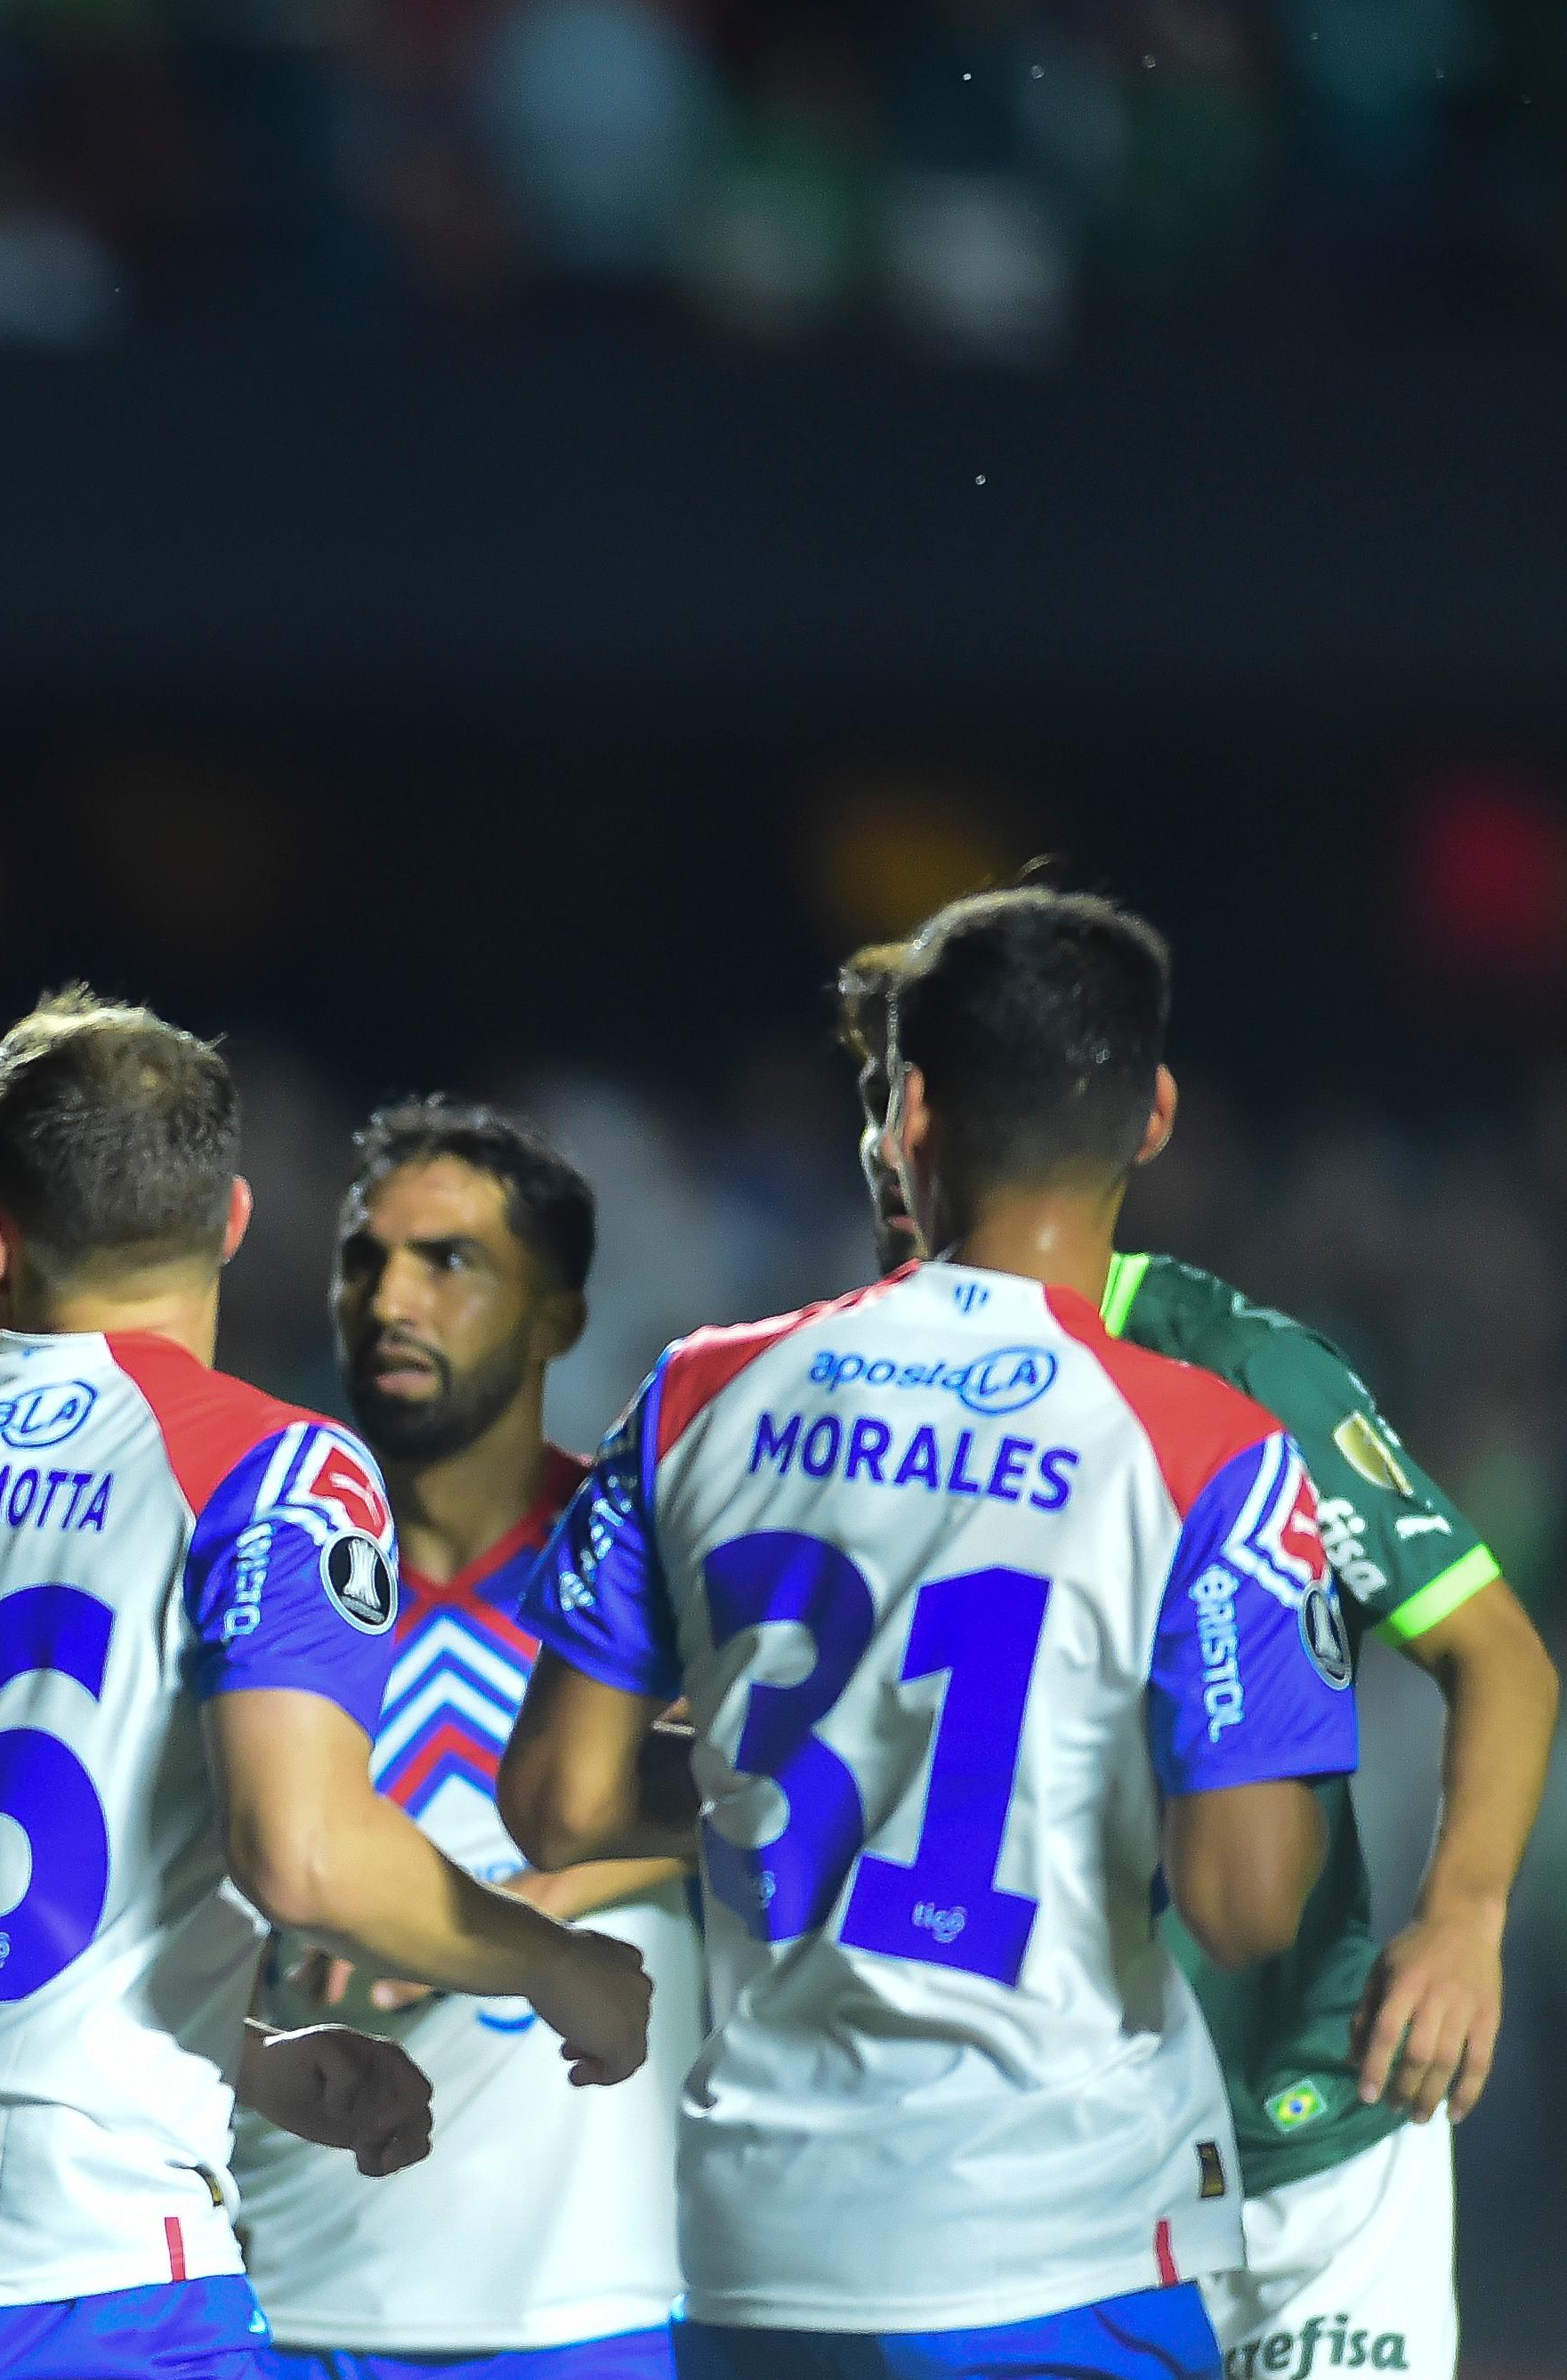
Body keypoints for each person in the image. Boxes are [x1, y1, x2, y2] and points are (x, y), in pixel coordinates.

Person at [500, 887, 1361, 2380]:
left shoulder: (700, 1391)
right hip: (1064, 2240)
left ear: (905, 1113)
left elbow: (555, 1800)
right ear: (1150, 1115)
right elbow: (1244, 1904)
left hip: (761, 2250)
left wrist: (797, 1778)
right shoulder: (1206, 1451)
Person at [0, 990, 652, 2380]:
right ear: (233, 1219)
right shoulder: (268, 1465)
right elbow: (301, 1854)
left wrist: (250, 2058)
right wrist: (561, 1967)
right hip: (97, 2277)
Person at [829, 940, 1555, 2380]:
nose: (897, 1146)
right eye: (887, 1098)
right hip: (995, 2178)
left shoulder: (1240, 1372)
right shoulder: (804, 1400)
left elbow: (1495, 1654)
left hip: (1295, 2134)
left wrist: (1463, 1919)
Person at [233, 1101, 699, 2380]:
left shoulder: (655, 1579)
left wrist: (489, 1922)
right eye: (362, 1259)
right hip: (275, 2306)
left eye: (449, 1261)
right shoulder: (251, 1565)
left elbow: (773, 1810)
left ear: (559, 1317)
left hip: (599, 2315)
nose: (389, 1297)